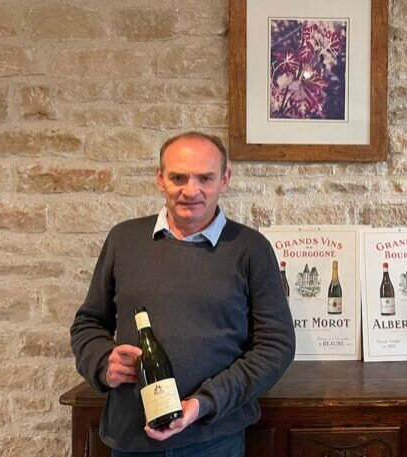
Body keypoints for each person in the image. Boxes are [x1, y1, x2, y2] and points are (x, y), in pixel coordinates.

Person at [70, 132, 296, 456]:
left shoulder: (251, 249)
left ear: (225, 179)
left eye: (205, 177)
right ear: (160, 179)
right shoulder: (124, 240)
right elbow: (88, 323)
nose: (191, 190)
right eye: (178, 177)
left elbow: (277, 346)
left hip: (215, 438)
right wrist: (103, 361)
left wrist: (205, 402)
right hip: (131, 437)